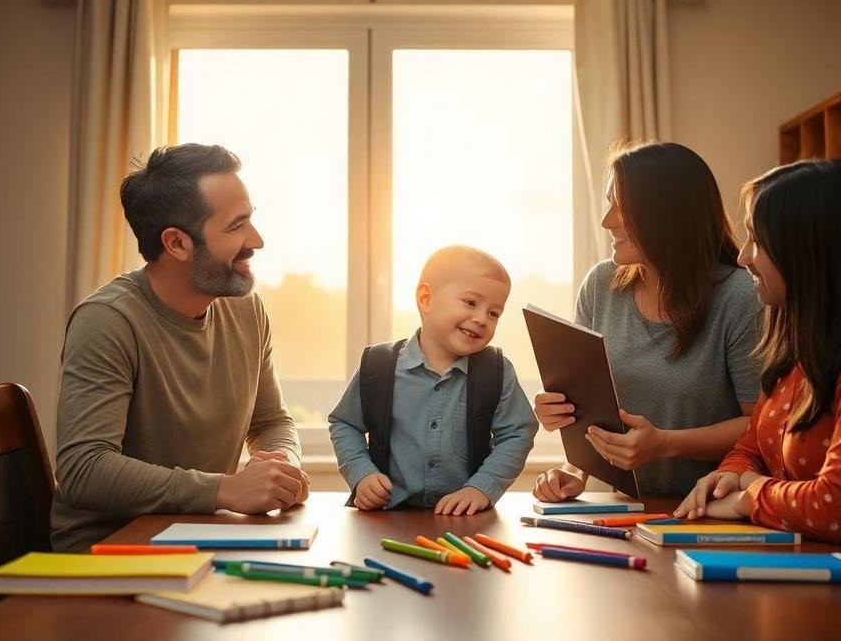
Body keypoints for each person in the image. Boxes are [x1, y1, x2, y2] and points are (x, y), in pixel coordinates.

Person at [674, 158, 841, 570]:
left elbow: (831, 508)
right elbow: (750, 448)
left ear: (811, 251)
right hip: (794, 562)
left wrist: (746, 495)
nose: (743, 258)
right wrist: (728, 474)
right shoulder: (803, 343)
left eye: (757, 242)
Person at [51, 143, 310, 553]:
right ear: (176, 243)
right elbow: (85, 468)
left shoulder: (246, 308)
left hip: (199, 540)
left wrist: (281, 465)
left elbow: (271, 420)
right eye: (236, 226)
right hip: (109, 553)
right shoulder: (107, 321)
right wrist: (224, 490)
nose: (256, 240)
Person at [533, 142, 762, 500]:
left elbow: (761, 427)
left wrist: (666, 444)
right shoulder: (600, 285)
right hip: (629, 509)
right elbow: (595, 409)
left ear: (668, 215)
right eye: (610, 204)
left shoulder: (739, 296)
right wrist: (574, 467)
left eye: (621, 208)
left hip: (715, 510)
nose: (607, 221)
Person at [329, 245, 537, 516]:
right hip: (388, 519)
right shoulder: (378, 366)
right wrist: (361, 473)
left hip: (466, 523)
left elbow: (517, 433)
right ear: (426, 299)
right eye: (471, 303)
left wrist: (482, 487)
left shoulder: (497, 371)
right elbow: (344, 423)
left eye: (493, 313)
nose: (481, 319)